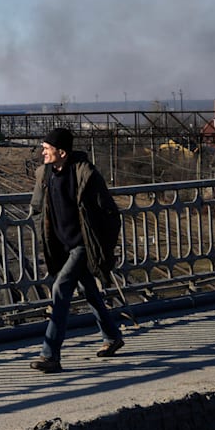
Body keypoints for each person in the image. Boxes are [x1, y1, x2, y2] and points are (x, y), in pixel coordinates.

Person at [28, 128, 124, 373]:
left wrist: (104, 245)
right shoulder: (44, 174)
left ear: (61, 152)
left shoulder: (85, 173)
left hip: (83, 244)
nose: (43, 152)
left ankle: (50, 355)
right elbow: (39, 208)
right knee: (89, 290)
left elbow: (110, 212)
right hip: (62, 245)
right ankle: (112, 336)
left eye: (47, 149)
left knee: (61, 289)